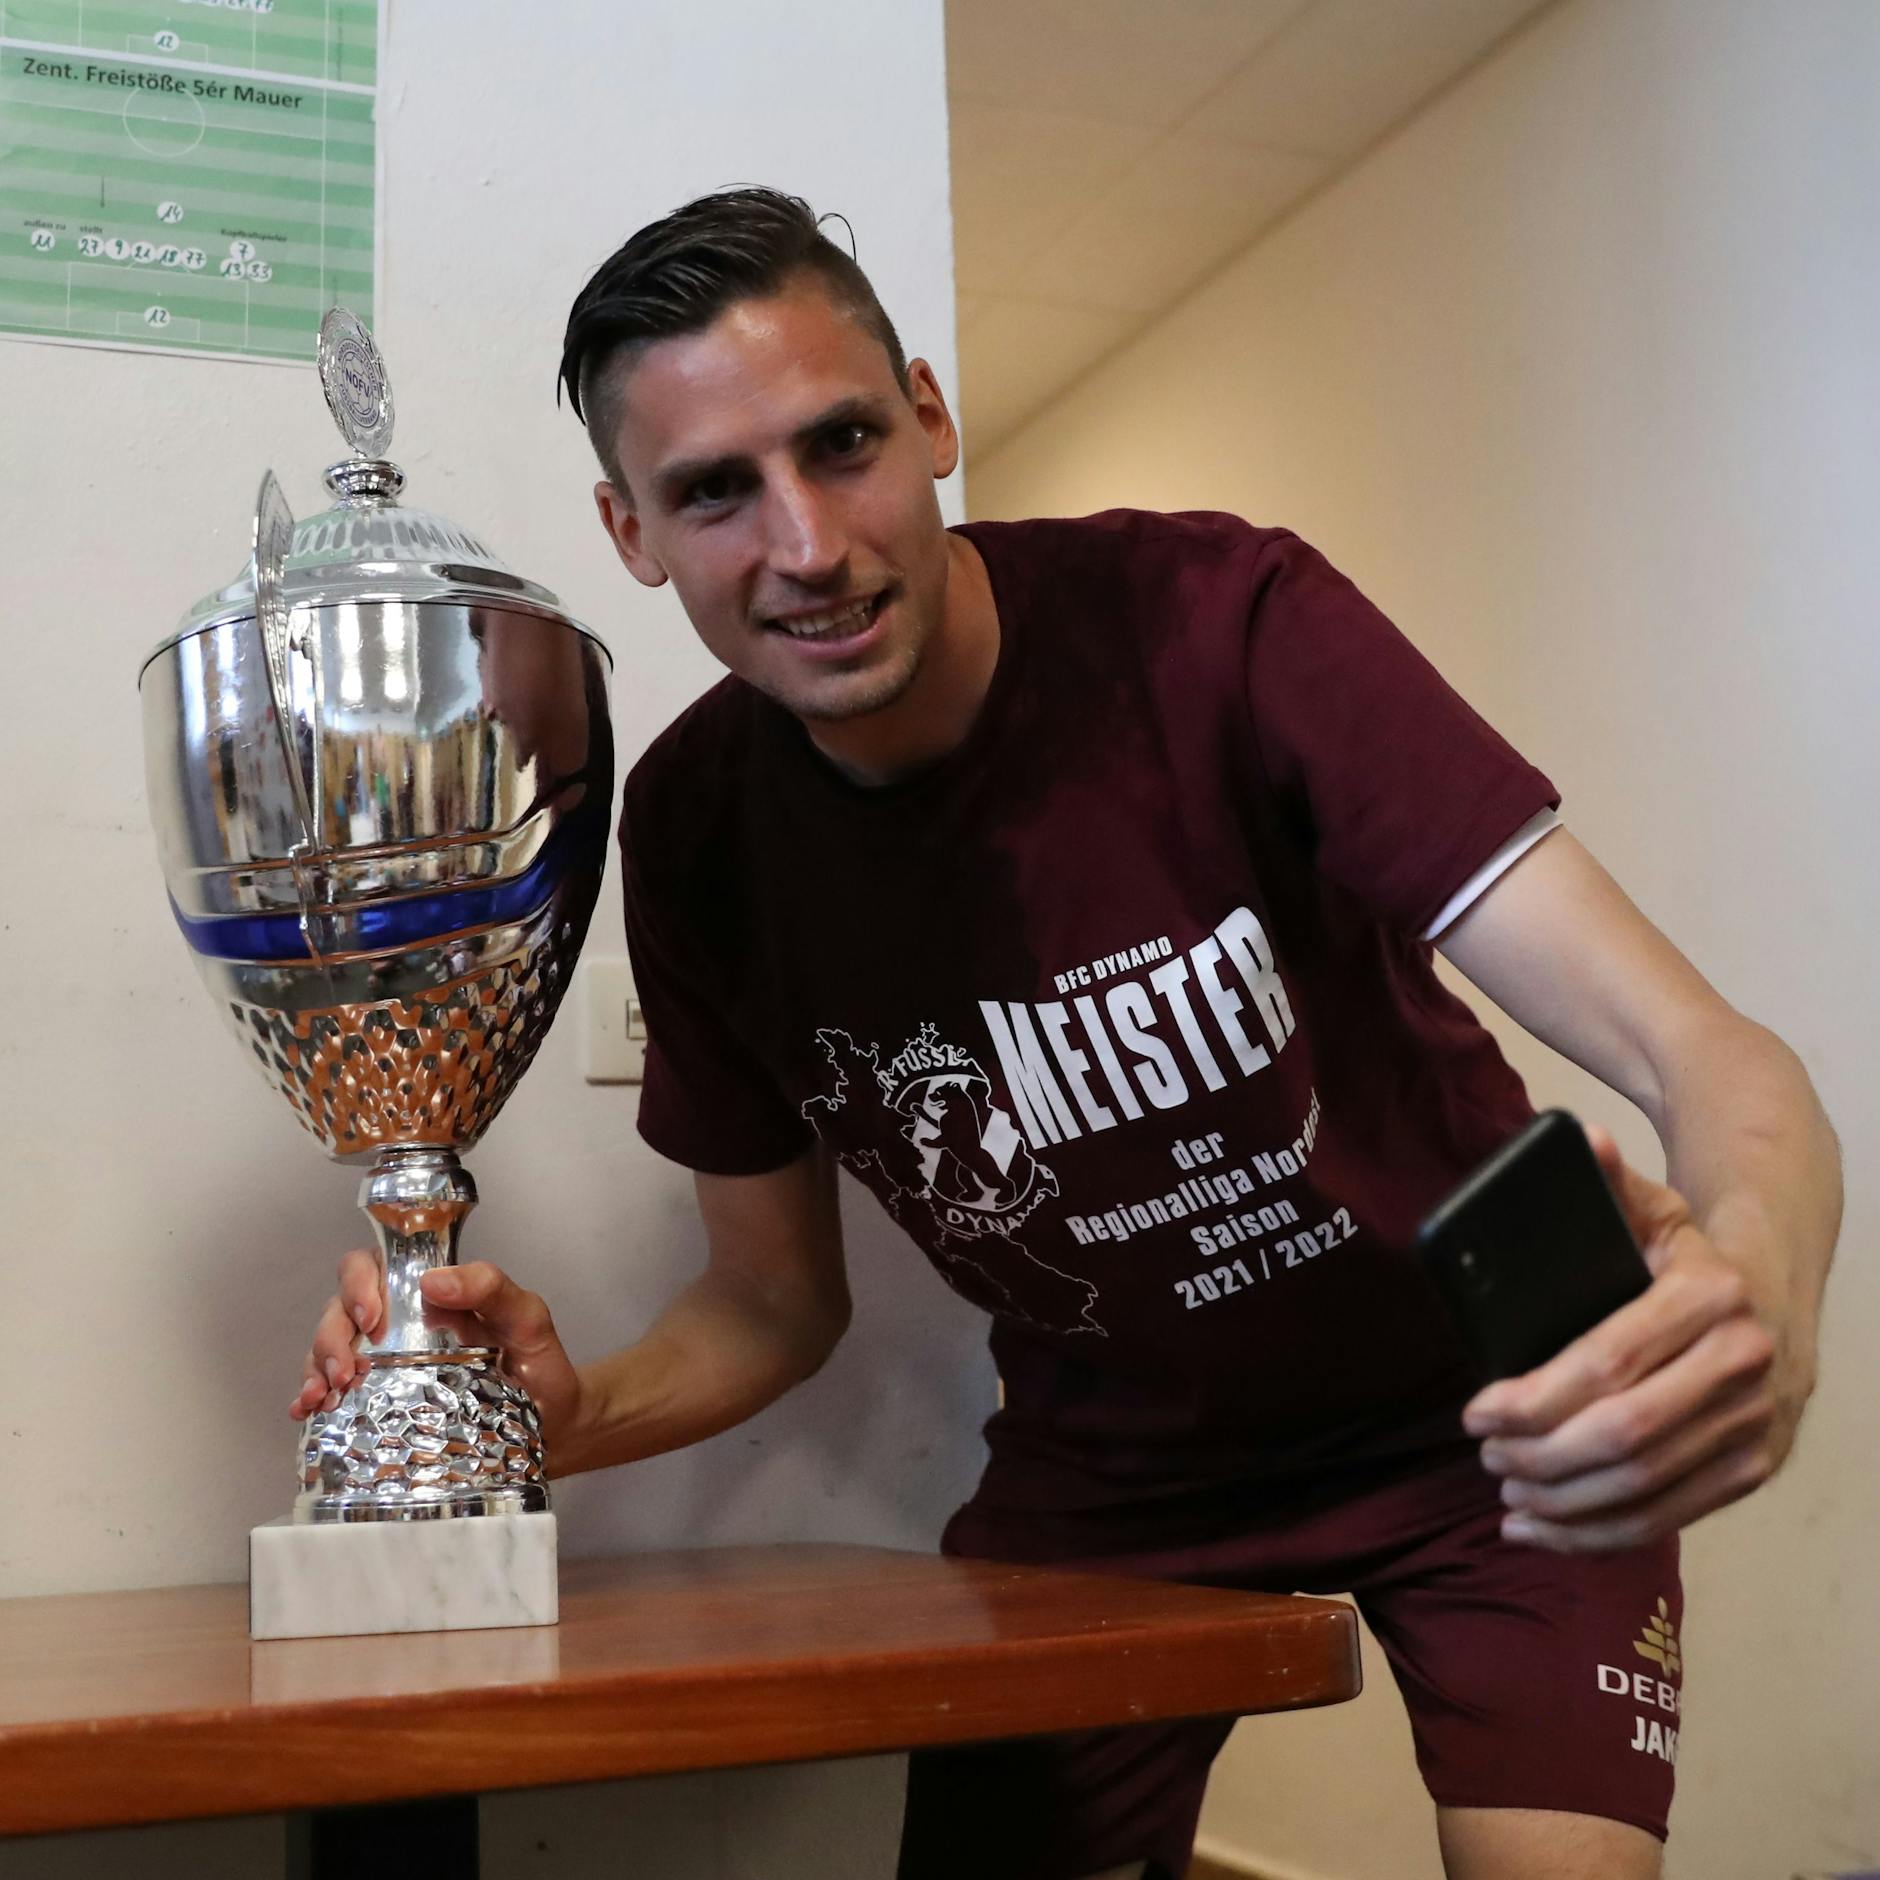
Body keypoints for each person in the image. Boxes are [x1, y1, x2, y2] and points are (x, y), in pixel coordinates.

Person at [292, 188, 1841, 1880]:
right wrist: (559, 1419)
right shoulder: (691, 835)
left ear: (935, 418)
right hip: (1114, 1475)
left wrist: (1755, 1281)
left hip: (1491, 1405)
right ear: (630, 529)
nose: (807, 545)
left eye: (845, 442)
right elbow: (767, 1302)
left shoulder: (1221, 620)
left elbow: (1714, 1054)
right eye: (716, 490)